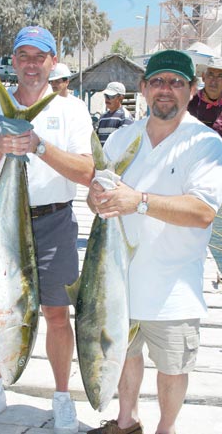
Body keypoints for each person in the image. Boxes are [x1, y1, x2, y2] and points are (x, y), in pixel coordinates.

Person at [0, 26, 94, 434]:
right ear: (14, 62)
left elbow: (88, 172)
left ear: (53, 62)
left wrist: (38, 145)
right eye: (24, 56)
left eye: (40, 56)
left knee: (57, 314)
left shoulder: (70, 110)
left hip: (55, 222)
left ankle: (61, 398)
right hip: (3, 222)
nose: (32, 64)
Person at [86, 50, 222, 434]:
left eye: (177, 83)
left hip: (174, 285)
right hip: (120, 282)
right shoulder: (122, 138)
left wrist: (139, 201)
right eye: (158, 81)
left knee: (172, 367)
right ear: (143, 88)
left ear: (192, 90)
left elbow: (203, 211)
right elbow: (98, 193)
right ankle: (126, 422)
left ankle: (166, 429)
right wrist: (94, 197)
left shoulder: (205, 142)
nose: (167, 90)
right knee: (126, 356)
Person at [188, 56, 222, 136]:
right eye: (210, 74)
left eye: (220, 76)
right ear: (203, 77)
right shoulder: (189, 101)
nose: (214, 81)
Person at [96, 81, 134, 146]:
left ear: (121, 97)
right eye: (106, 96)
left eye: (111, 96)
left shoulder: (125, 117)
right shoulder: (103, 117)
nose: (107, 99)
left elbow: (123, 142)